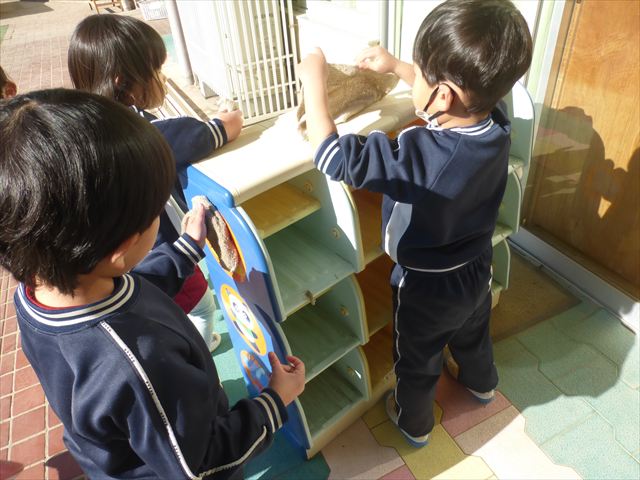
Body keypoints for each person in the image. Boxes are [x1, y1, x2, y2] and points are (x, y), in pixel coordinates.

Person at [0, 88, 305, 479]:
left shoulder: (39, 291)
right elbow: (201, 463)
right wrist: (275, 401)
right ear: (123, 247)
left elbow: (135, 292)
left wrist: (187, 248)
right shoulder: (140, 364)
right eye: (156, 210)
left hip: (125, 446)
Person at [297, 0, 532, 448]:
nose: (413, 77)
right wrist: (397, 67)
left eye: (418, 71)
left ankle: (414, 423)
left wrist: (314, 80)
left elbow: (332, 157)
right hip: (475, 268)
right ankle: (482, 384)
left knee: (417, 359)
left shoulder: (423, 154)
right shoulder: (496, 124)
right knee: (473, 335)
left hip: (425, 286)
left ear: (443, 95)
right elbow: (447, 96)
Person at [67, 14, 244, 353]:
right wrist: (227, 117)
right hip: (162, 255)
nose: (162, 77)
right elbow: (220, 129)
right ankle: (200, 352)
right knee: (202, 307)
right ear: (124, 83)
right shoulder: (146, 137)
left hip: (121, 265)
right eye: (156, 70)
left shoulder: (84, 128)